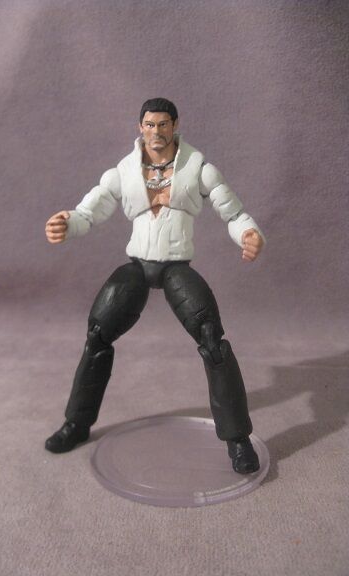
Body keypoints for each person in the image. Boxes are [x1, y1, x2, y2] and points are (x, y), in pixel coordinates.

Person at [44, 98, 265, 474]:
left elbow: (234, 213)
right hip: (138, 267)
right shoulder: (124, 172)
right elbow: (90, 212)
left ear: (175, 125)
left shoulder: (199, 170)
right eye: (149, 125)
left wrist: (249, 234)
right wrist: (66, 223)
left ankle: (238, 440)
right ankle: (77, 424)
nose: (156, 132)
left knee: (212, 339)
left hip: (176, 268)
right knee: (97, 334)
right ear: (140, 128)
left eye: (163, 124)